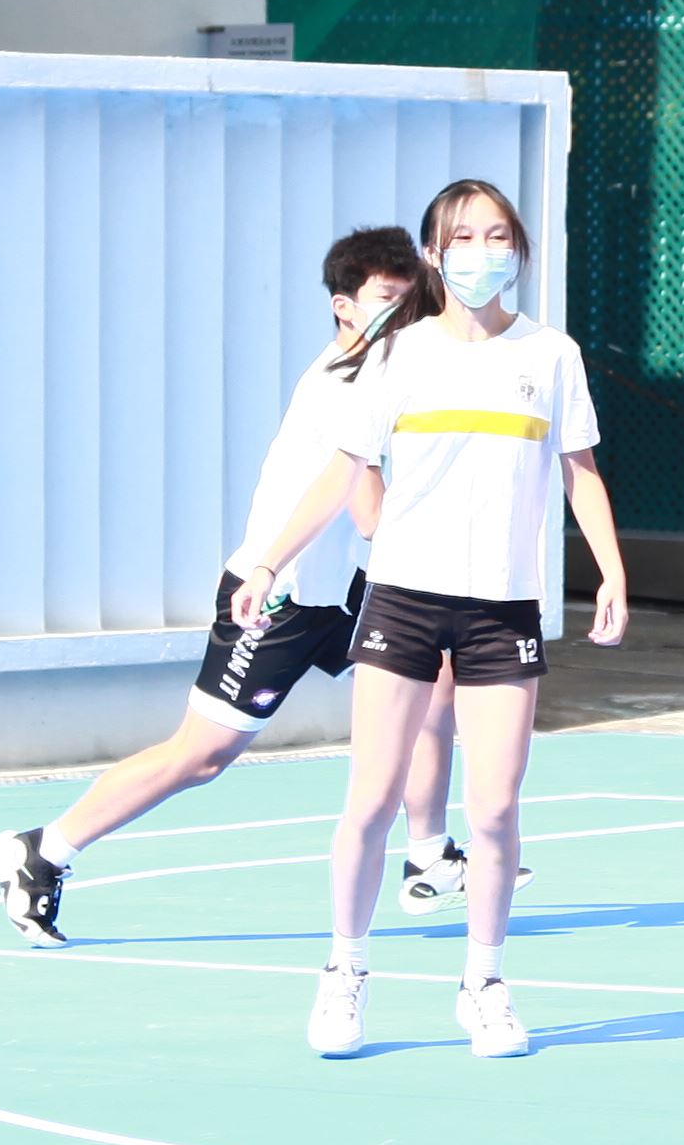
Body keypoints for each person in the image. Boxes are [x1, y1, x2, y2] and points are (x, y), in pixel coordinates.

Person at [228, 176, 629, 1061]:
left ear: (519, 250)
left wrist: (610, 569)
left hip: (503, 608)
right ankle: (344, 971)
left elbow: (581, 469)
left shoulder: (551, 355)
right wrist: (267, 560)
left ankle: (484, 984)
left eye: (499, 236)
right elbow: (340, 473)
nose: (483, 252)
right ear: (435, 254)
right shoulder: (397, 357)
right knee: (371, 799)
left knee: (494, 808)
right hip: (404, 601)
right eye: (464, 237)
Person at [0, 226, 464, 944]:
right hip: (275, 598)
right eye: (384, 299)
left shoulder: (383, 375)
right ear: (343, 306)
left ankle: (429, 855)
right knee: (201, 756)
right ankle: (44, 851)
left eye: (409, 300)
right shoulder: (342, 386)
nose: (399, 313)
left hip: (339, 592)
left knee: (432, 678)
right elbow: (371, 516)